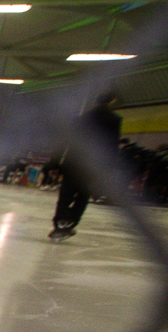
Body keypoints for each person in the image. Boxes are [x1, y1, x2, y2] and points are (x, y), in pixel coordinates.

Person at [49, 92, 122, 240]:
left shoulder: (80, 119)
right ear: (112, 101)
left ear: (95, 100)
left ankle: (59, 224)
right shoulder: (114, 120)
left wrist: (55, 162)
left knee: (66, 195)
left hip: (74, 162)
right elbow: (112, 146)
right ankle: (71, 224)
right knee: (83, 196)